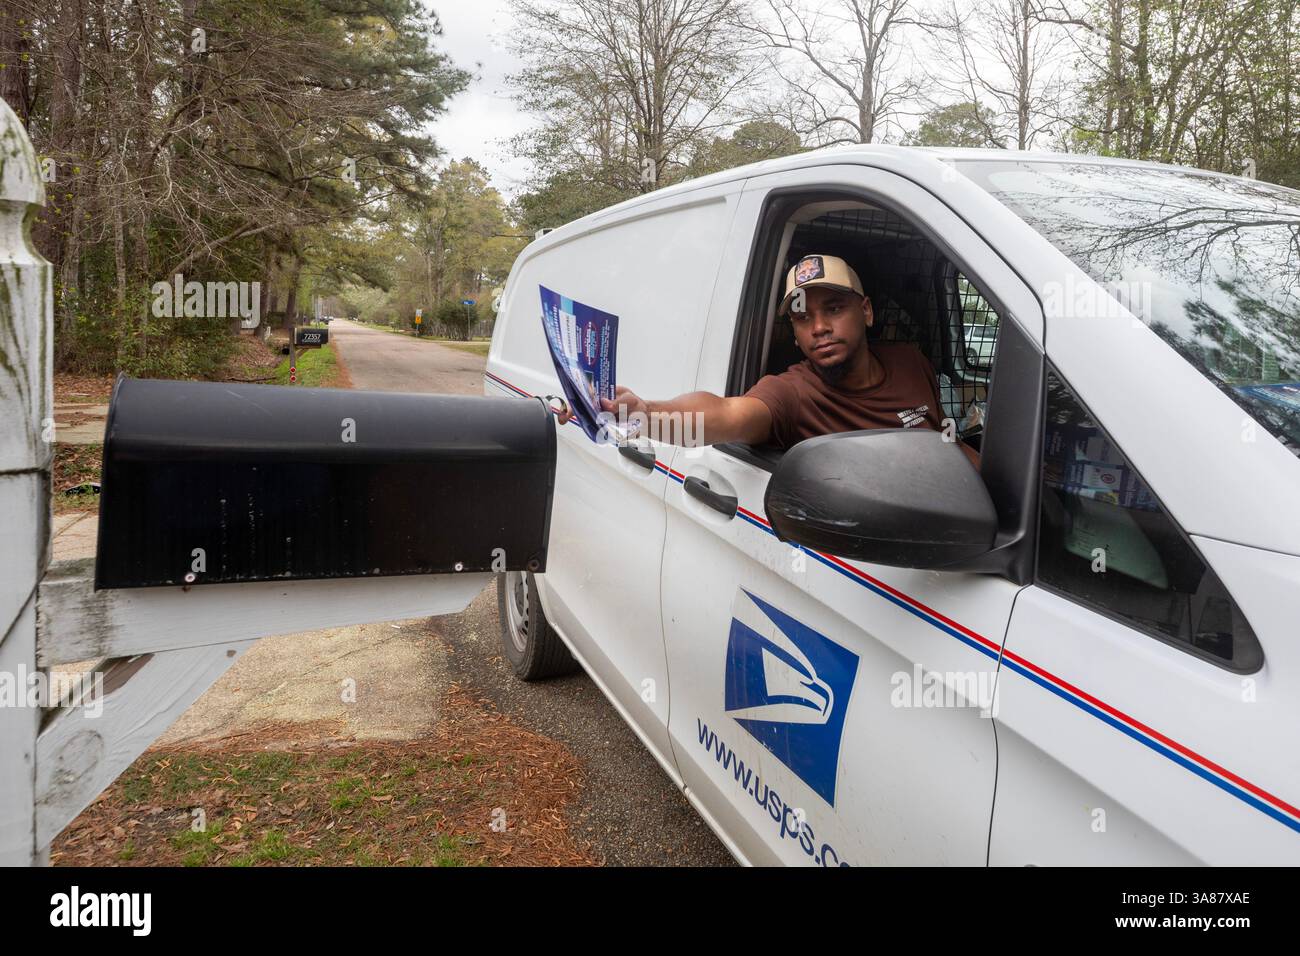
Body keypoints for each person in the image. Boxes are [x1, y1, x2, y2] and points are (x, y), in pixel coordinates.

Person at [560, 254, 978, 466]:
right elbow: (724, 413)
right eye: (802, 317)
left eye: (833, 309)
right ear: (794, 335)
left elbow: (950, 446)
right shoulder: (791, 393)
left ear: (866, 312)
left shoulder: (909, 361)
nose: (818, 327)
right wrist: (645, 414)